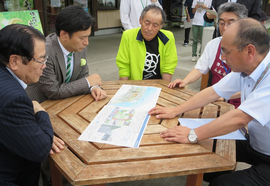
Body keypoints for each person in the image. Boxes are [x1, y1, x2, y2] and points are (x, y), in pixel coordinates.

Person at [149, 18, 270, 186]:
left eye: (226, 51)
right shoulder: (248, 67)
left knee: (220, 183)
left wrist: (193, 134)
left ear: (249, 51)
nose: (221, 57)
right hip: (255, 143)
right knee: (208, 152)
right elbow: (213, 92)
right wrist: (176, 110)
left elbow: (240, 118)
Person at [0, 24, 54, 185]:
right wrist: (40, 112)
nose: (44, 66)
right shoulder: (14, 99)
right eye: (41, 59)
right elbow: (41, 149)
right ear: (14, 61)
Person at [168, 2, 247, 108]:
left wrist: (224, 96)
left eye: (230, 23)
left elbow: (252, 87)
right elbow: (200, 68)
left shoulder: (250, 50)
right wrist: (184, 81)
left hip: (241, 106)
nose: (225, 28)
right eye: (222, 23)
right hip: (214, 103)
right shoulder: (213, 44)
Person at [26, 5, 107, 103]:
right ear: (64, 35)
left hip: (66, 101)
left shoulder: (79, 47)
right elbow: (53, 91)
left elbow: (83, 75)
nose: (86, 42)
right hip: (40, 105)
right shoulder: (45, 51)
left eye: (87, 37)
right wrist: (87, 82)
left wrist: (93, 87)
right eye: (82, 37)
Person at [116, 5, 178, 82]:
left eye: (155, 25)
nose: (149, 28)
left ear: (161, 26)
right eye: (147, 23)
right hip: (136, 84)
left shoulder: (168, 37)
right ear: (140, 20)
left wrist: (165, 88)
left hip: (158, 83)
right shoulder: (128, 36)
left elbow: (169, 65)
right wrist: (123, 87)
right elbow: (123, 65)